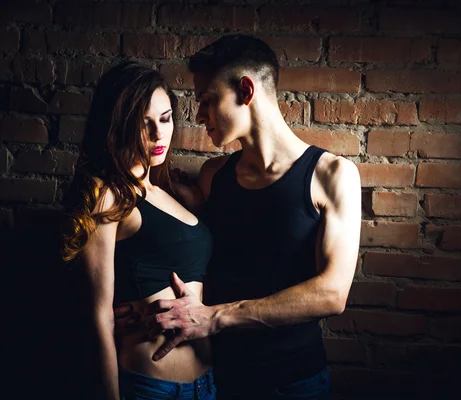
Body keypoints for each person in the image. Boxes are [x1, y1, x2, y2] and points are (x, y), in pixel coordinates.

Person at [115, 34, 362, 399]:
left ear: (246, 90)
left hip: (293, 381)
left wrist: (214, 318)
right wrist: (145, 307)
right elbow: (185, 254)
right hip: (218, 377)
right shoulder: (213, 176)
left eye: (207, 100)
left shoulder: (332, 175)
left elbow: (332, 294)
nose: (199, 116)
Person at [61, 61, 215, 400]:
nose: (158, 134)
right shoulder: (108, 196)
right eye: (143, 124)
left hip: (206, 385)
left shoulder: (179, 194)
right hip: (151, 387)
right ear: (117, 126)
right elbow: (99, 316)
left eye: (165, 119)